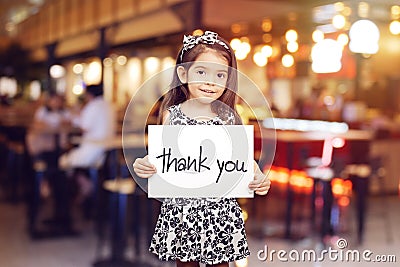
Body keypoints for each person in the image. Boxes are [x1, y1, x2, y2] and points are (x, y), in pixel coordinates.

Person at [133, 31, 271, 267]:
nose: (211, 82)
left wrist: (258, 176)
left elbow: (240, 160)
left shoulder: (229, 117)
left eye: (220, 75)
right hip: (182, 210)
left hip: (220, 210)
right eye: (201, 72)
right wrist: (144, 163)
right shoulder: (171, 115)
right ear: (183, 73)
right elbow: (164, 155)